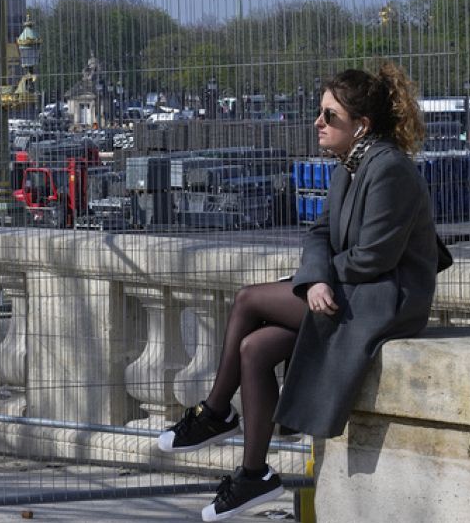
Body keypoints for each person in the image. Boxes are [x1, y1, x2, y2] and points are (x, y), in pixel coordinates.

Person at [156, 61, 450, 522]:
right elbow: (317, 232)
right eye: (320, 112)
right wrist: (315, 279)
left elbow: (375, 257)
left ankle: (215, 412)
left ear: (362, 125)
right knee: (255, 348)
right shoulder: (349, 167)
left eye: (330, 115)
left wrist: (320, 280)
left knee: (249, 299)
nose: (318, 122)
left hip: (386, 300)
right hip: (352, 289)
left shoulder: (389, 169)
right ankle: (254, 474)